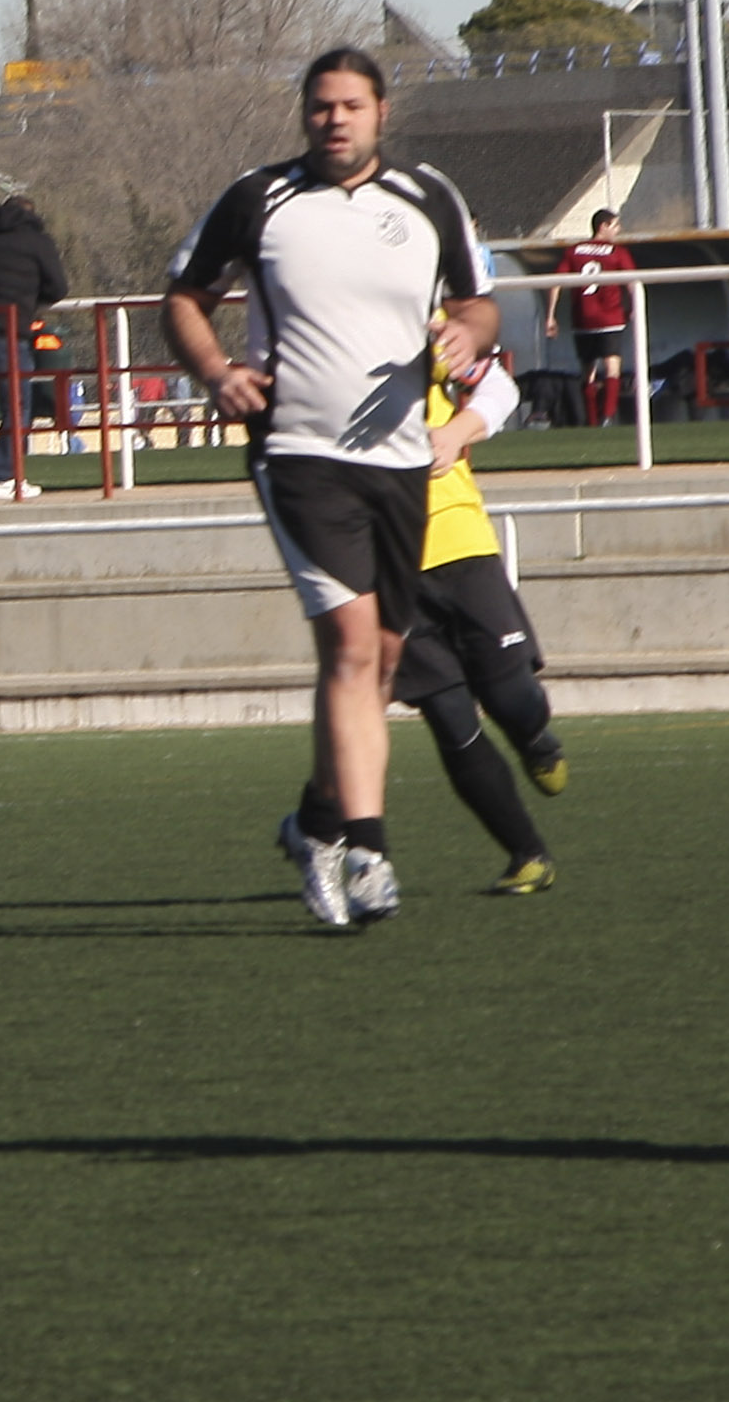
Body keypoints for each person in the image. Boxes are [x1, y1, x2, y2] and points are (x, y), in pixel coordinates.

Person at [164, 46, 498, 929]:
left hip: (402, 460)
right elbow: (185, 296)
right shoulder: (258, 198)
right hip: (300, 454)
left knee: (383, 663)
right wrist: (214, 373)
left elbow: (476, 302)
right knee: (351, 647)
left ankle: (315, 822)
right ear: (303, 114)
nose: (334, 120)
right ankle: (369, 850)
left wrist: (466, 338)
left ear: (381, 113)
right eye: (320, 106)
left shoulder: (428, 199)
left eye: (351, 105)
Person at [390, 351, 565, 894]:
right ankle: (527, 855)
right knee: (450, 720)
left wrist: (456, 431)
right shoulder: (313, 345)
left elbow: (499, 389)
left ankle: (534, 738)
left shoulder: (421, 327)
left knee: (509, 693)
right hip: (384, 567)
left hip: (458, 544)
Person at [0, 185, 69, 495]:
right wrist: (30, 300)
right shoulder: (37, 242)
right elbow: (58, 288)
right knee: (17, 405)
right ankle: (5, 475)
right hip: (7, 330)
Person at [546, 211, 634, 426]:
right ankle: (608, 416)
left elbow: (555, 282)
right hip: (610, 317)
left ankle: (593, 420)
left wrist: (550, 316)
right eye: (615, 225)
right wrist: (634, 306)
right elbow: (633, 282)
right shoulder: (617, 252)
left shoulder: (574, 251)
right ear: (602, 226)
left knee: (588, 371)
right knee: (612, 367)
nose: (618, 229)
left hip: (582, 318)